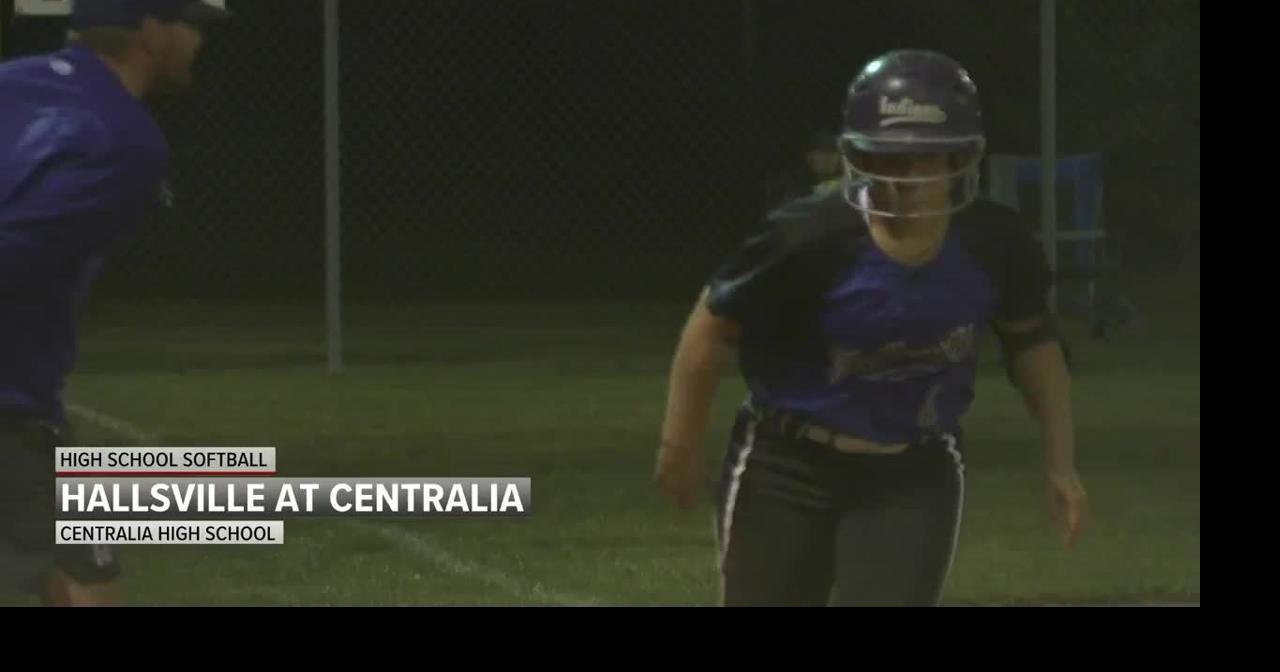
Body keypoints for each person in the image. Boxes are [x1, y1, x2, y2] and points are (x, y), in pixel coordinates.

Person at [655, 49, 1089, 607]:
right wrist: (681, 441)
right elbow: (713, 325)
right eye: (889, 157)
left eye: (923, 157)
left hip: (911, 470)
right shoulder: (808, 235)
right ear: (858, 156)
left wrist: (1061, 463)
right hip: (787, 465)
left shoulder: (993, 241)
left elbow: (1033, 346)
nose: (905, 177)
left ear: (959, 156)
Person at [0, 0, 229, 606]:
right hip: (11, 396)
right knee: (88, 586)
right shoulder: (125, 139)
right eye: (190, 23)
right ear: (148, 30)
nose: (199, 40)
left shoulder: (12, 79)